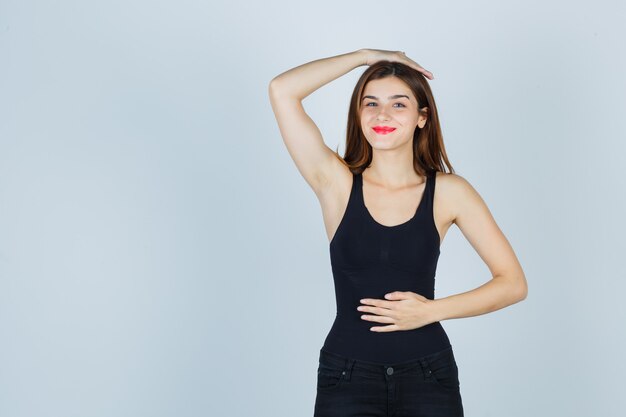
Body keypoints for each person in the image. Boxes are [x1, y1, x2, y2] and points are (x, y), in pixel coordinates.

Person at [268, 49, 528, 417]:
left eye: (399, 104)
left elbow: (513, 283)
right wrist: (365, 56)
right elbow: (282, 89)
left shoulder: (450, 192)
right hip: (346, 376)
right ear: (358, 115)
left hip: (428, 375)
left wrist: (430, 312)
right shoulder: (336, 184)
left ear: (423, 117)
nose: (382, 114)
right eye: (370, 103)